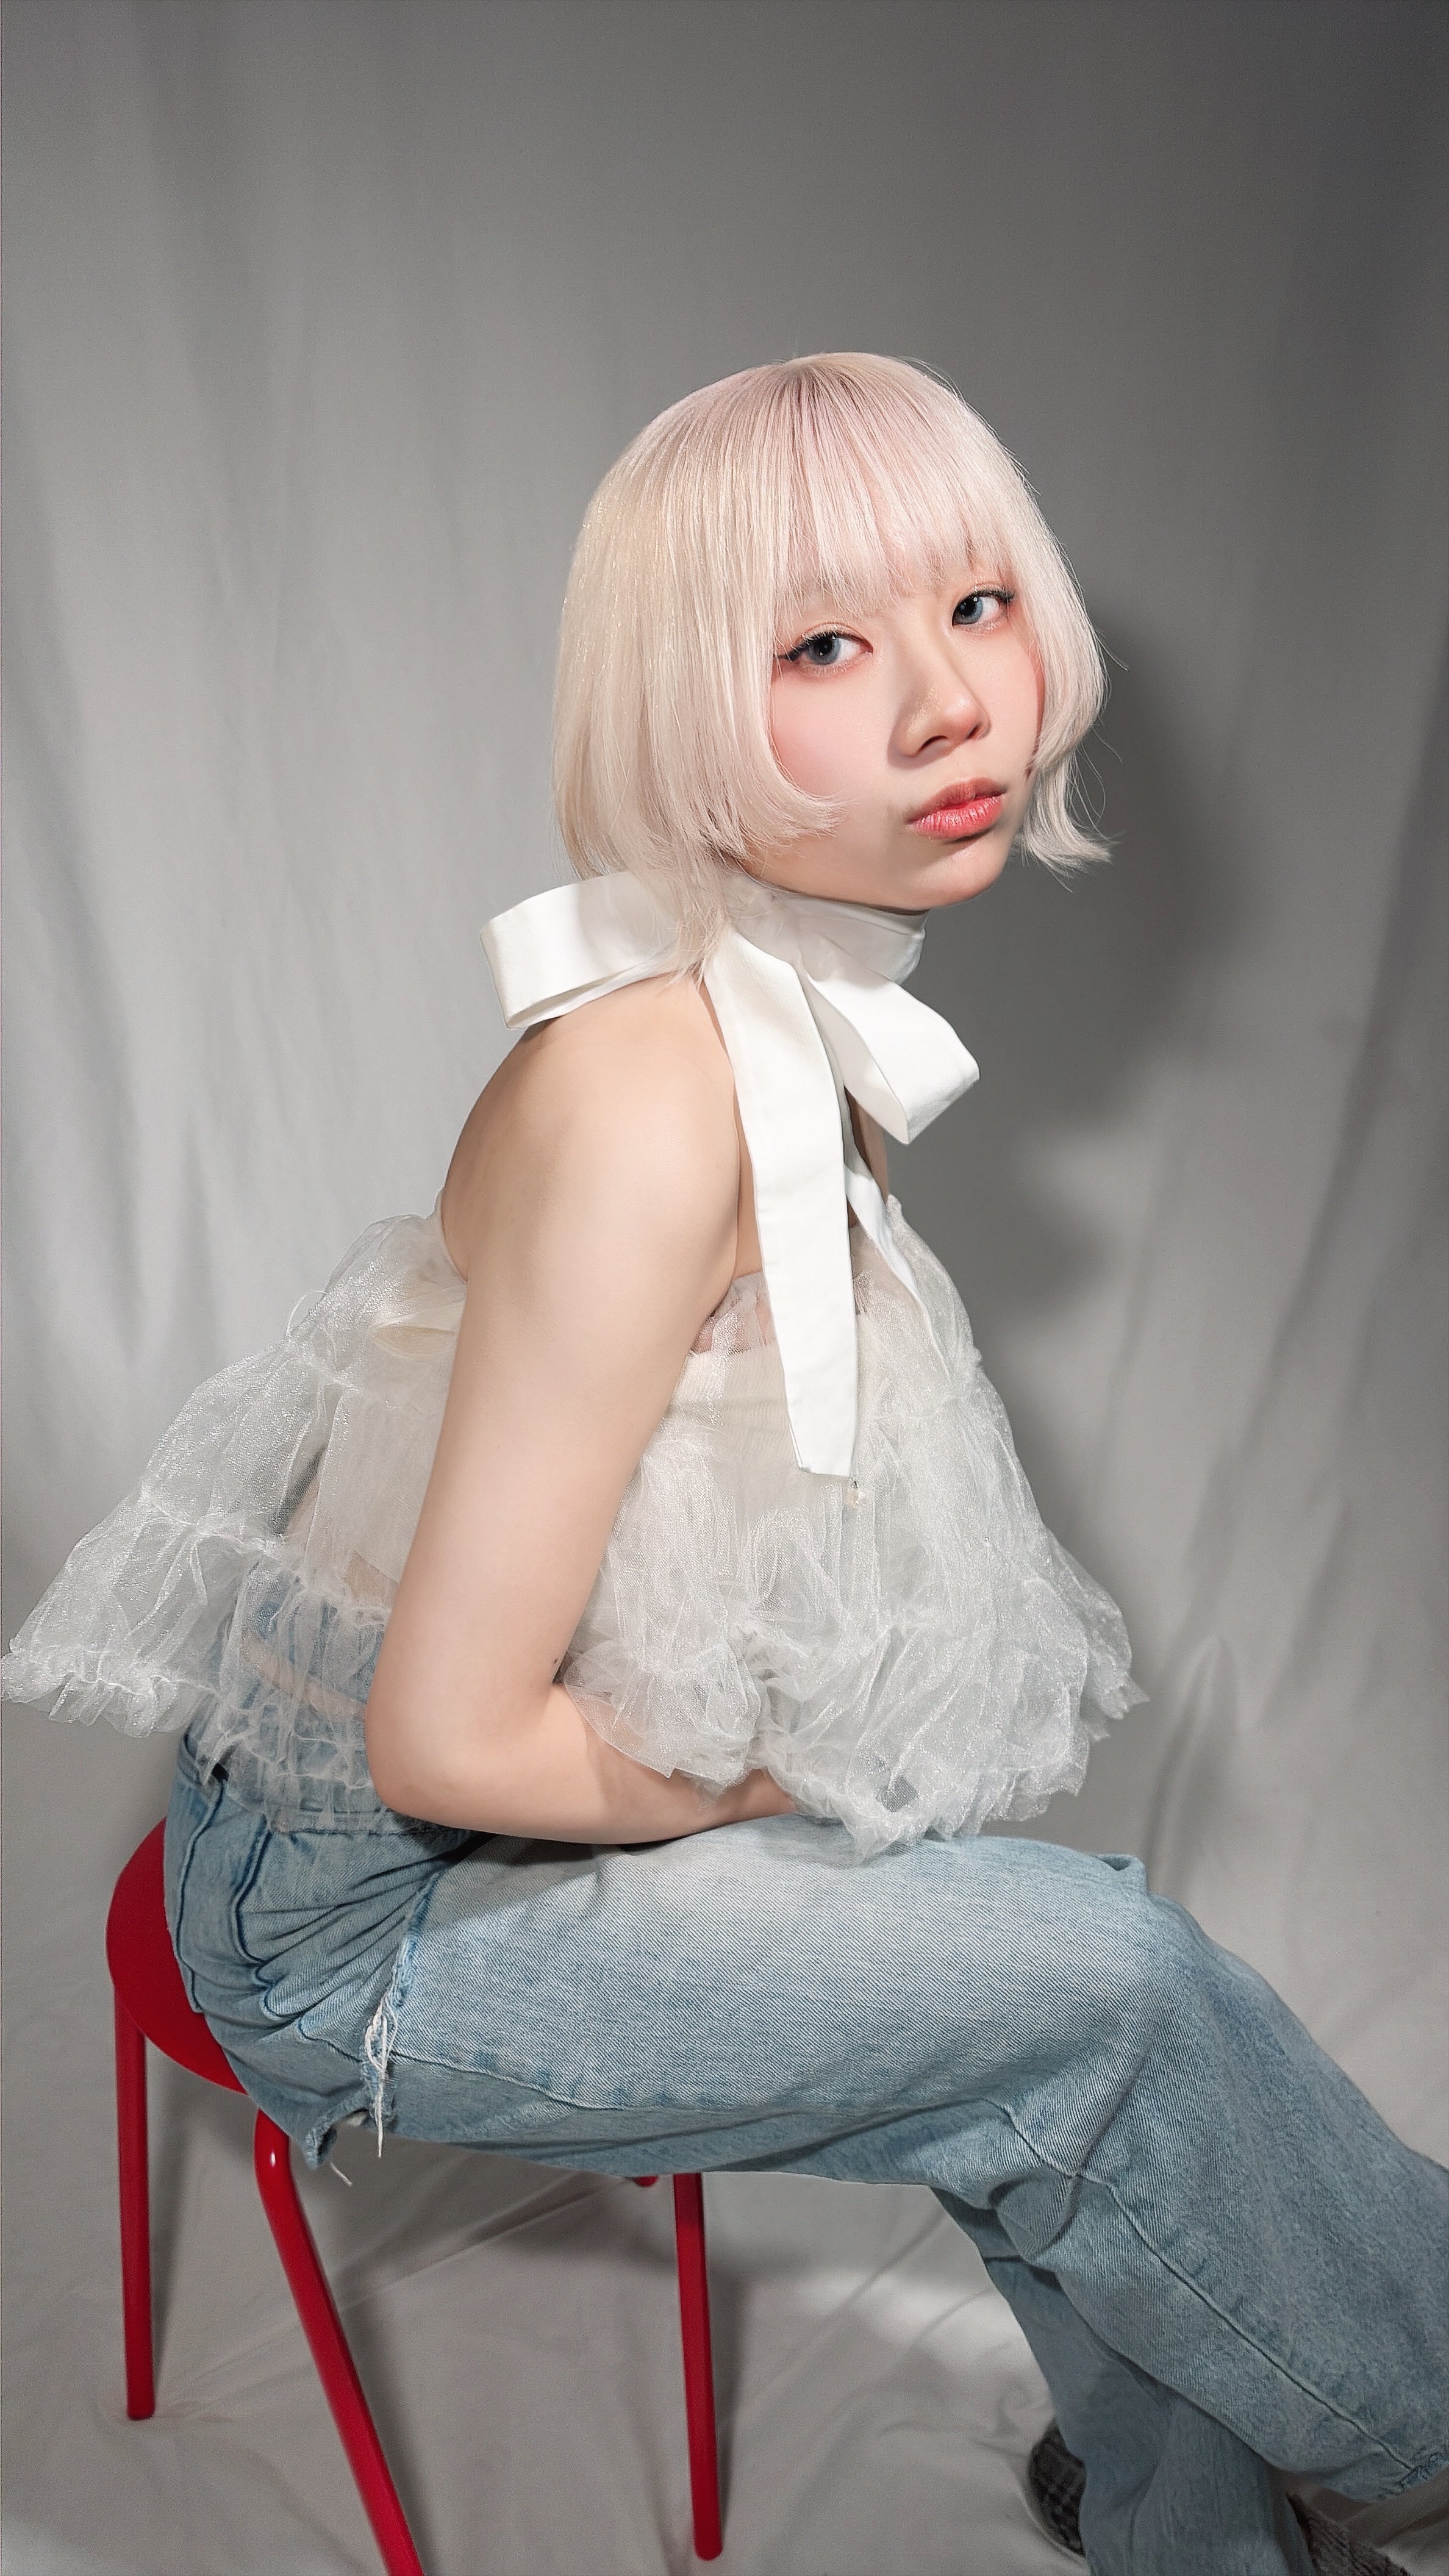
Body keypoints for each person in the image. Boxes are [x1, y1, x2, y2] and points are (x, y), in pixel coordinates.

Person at [5, 355, 1444, 2575]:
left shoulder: (768, 1018)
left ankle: (1189, 2507)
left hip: (461, 1826)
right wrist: (781, 1783)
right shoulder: (655, 1097)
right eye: (827, 647)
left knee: (1049, 1981)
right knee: (1110, 1991)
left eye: (977, 604)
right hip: (363, 1930)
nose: (952, 704)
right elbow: (440, 1739)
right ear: (678, 709)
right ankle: (1407, 2410)